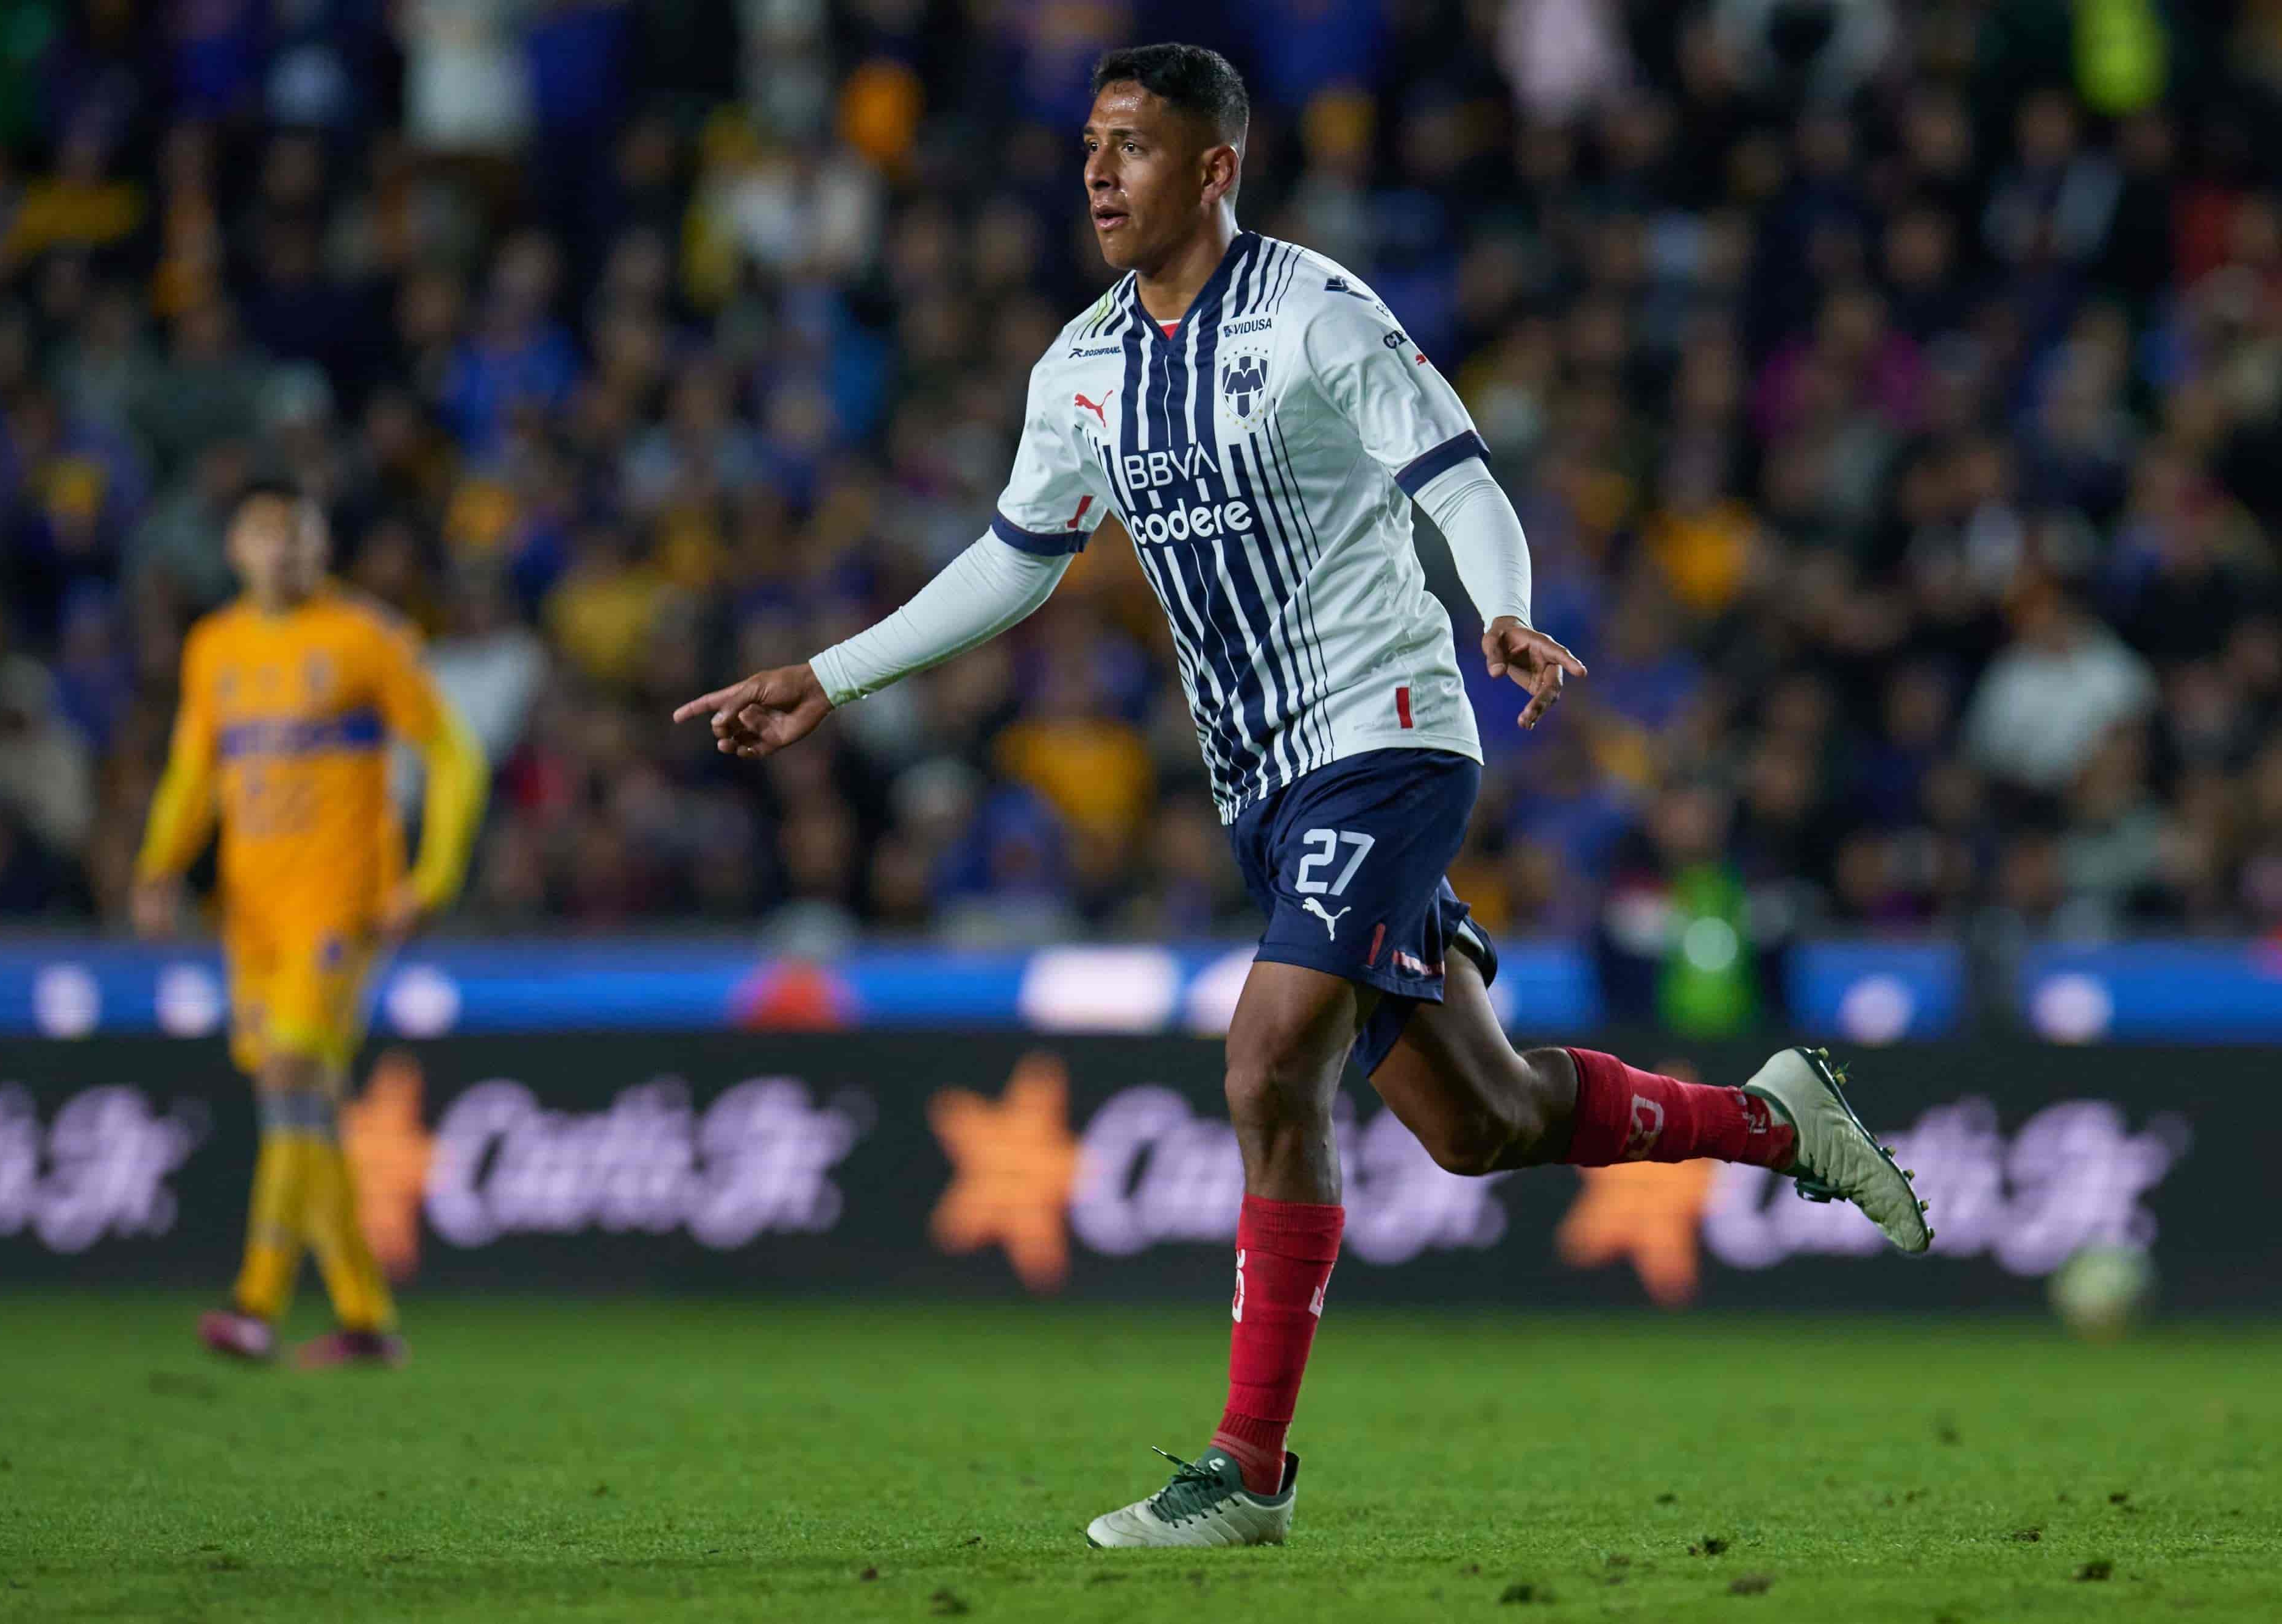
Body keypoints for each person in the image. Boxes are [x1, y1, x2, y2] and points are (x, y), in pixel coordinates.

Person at [675, 43, 1931, 1548]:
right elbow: (1017, 555)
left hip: (1389, 731)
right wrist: (832, 672)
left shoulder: (1316, 316)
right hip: (1263, 786)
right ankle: (1774, 1119)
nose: (1095, 173)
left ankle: (1247, 1470)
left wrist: (1501, 609)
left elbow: (1455, 474)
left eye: (1131, 147)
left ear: (1213, 168)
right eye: (1088, 144)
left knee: (1269, 1059)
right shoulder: (1075, 368)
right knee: (1486, 1121)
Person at [133, 481, 486, 1368]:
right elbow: (191, 773)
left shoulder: (366, 638)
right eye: (264, 534)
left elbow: (452, 754)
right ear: (236, 550)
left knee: (291, 1072)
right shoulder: (213, 647)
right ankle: (366, 1318)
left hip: (341, 905)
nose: (282, 550)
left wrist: (433, 875)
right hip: (250, 914)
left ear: (322, 546)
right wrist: (158, 866)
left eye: (298, 534)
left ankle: (253, 1303)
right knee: (297, 1104)